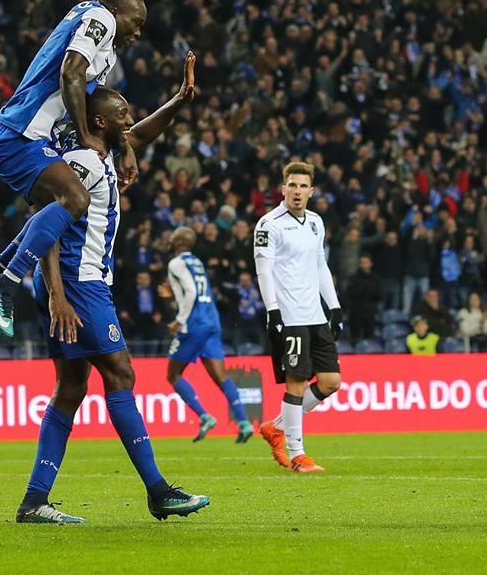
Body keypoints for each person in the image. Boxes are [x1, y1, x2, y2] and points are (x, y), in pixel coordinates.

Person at [17, 74, 208, 524]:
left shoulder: (101, 151)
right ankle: (158, 491)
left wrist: (179, 101)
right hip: (76, 282)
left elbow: (140, 134)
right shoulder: (81, 161)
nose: (129, 119)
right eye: (122, 113)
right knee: (121, 374)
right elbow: (46, 220)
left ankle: (34, 501)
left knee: (71, 389)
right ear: (99, 122)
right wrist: (57, 296)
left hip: (82, 282)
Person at [0, 0, 147, 338]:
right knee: (76, 198)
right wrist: (84, 135)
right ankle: (5, 284)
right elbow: (71, 72)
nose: (138, 32)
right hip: (21, 133)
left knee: (54, 209)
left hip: (29, 136)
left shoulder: (99, 37)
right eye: (136, 22)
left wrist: (123, 144)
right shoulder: (101, 17)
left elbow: (99, 105)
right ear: (117, 11)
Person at [254, 162, 344, 473]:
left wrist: (334, 307)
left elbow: (320, 265)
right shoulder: (269, 224)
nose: (297, 191)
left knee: (331, 382)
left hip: (315, 315)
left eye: (303, 186)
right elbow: (264, 271)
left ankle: (276, 426)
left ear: (311, 191)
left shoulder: (316, 222)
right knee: (297, 383)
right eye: (292, 185)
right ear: (283, 189)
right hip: (289, 316)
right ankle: (297, 456)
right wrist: (273, 310)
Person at [164, 226, 252, 443]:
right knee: (220, 375)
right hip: (212, 321)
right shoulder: (196, 261)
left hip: (194, 324)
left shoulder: (175, 263)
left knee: (173, 374)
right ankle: (244, 422)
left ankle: (204, 416)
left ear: (179, 241)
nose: (169, 238)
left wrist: (179, 320)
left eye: (173, 236)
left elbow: (191, 291)